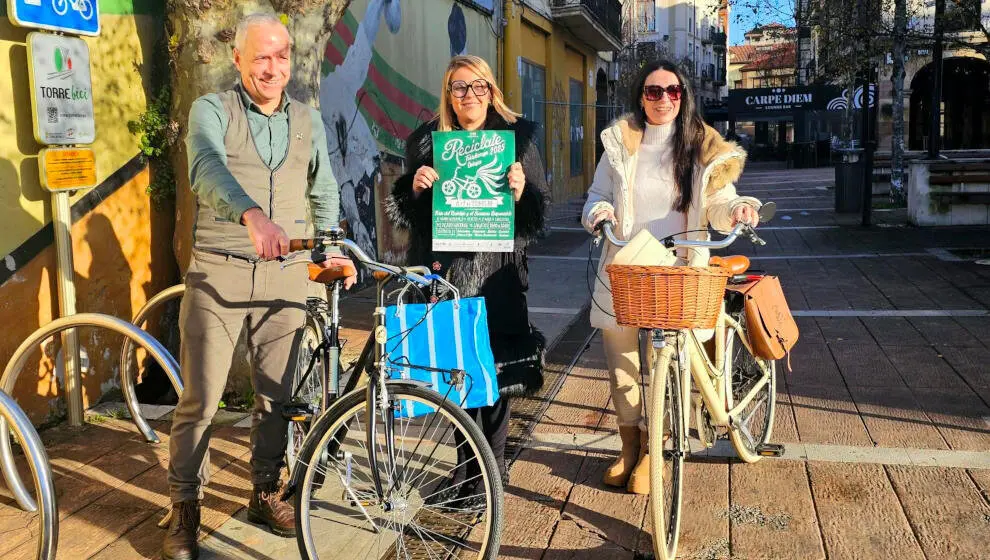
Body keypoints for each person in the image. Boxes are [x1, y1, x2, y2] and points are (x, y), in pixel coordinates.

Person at [163, 13, 356, 560]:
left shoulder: (307, 119)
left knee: (277, 399)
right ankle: (184, 508)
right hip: (218, 273)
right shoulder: (212, 110)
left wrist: (333, 246)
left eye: (282, 56)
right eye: (262, 57)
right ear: (239, 59)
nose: (274, 68)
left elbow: (323, 190)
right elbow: (204, 165)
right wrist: (251, 214)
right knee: (201, 397)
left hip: (286, 279)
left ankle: (263, 491)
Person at [582, 60, 761, 495]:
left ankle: (656, 451)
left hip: (680, 269)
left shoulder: (704, 147)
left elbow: (720, 200)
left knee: (667, 362)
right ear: (639, 97)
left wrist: (737, 209)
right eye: (653, 91)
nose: (663, 99)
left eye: (673, 91)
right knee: (620, 358)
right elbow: (597, 195)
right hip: (626, 264)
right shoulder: (620, 144)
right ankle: (629, 447)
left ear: (685, 96)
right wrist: (599, 213)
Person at [386, 55, 550, 491]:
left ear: (492, 92)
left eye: (478, 87)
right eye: (459, 88)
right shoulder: (427, 143)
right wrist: (414, 190)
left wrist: (521, 194)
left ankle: (488, 478)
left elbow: (539, 215)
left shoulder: (517, 141)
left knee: (493, 377)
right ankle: (465, 471)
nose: (469, 96)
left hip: (497, 276)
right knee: (456, 377)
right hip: (444, 274)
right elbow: (410, 219)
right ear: (448, 96)